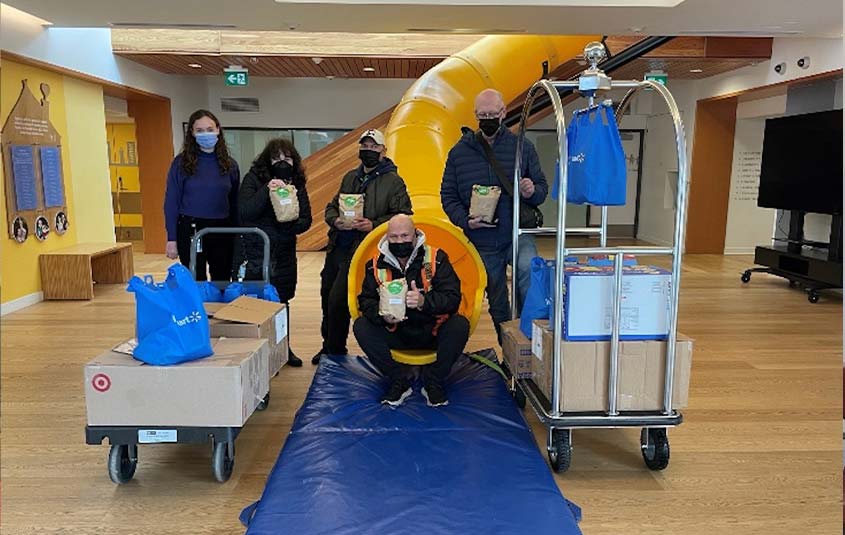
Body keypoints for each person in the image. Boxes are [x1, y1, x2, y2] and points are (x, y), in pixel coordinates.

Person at [440, 89, 548, 343]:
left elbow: (542, 190)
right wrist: (465, 220)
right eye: (483, 115)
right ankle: (508, 348)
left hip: (517, 233)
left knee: (528, 274)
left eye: (492, 114)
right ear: (475, 115)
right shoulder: (459, 152)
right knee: (497, 299)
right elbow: (448, 196)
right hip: (482, 240)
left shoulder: (522, 147)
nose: (488, 119)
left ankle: (526, 337)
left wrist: (532, 190)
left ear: (503, 112)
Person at [313, 128, 413, 365]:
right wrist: (335, 220)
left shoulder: (394, 182)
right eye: (365, 146)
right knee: (327, 296)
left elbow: (403, 215)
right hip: (338, 246)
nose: (368, 151)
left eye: (373, 147)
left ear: (383, 150)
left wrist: (373, 225)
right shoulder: (350, 177)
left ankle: (335, 351)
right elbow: (332, 207)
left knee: (338, 298)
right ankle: (330, 346)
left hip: (365, 250)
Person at [353, 214, 469, 407]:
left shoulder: (436, 258)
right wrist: (383, 316)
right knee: (361, 326)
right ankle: (398, 380)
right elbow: (365, 301)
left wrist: (424, 302)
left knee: (460, 325)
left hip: (433, 331)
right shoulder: (374, 265)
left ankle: (434, 380)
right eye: (394, 237)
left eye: (405, 236)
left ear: (415, 235)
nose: (400, 241)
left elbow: (453, 298)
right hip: (395, 332)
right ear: (387, 237)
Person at [236, 138, 312, 367]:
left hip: (284, 252)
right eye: (276, 158)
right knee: (255, 301)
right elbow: (245, 212)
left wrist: (287, 226)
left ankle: (283, 348)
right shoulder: (253, 179)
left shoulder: (296, 183)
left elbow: (306, 219)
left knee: (282, 301)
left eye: (287, 158)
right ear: (267, 161)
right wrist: (267, 190)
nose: (282, 162)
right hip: (256, 252)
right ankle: (254, 350)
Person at [164, 109, 239, 281]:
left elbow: (234, 202)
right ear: (192, 133)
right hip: (190, 228)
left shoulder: (230, 165)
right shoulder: (181, 163)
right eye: (200, 130)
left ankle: (219, 300)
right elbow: (172, 202)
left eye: (210, 129)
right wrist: (171, 239)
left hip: (222, 228)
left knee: (222, 278)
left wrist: (239, 234)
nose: (206, 134)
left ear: (218, 130)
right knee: (195, 279)